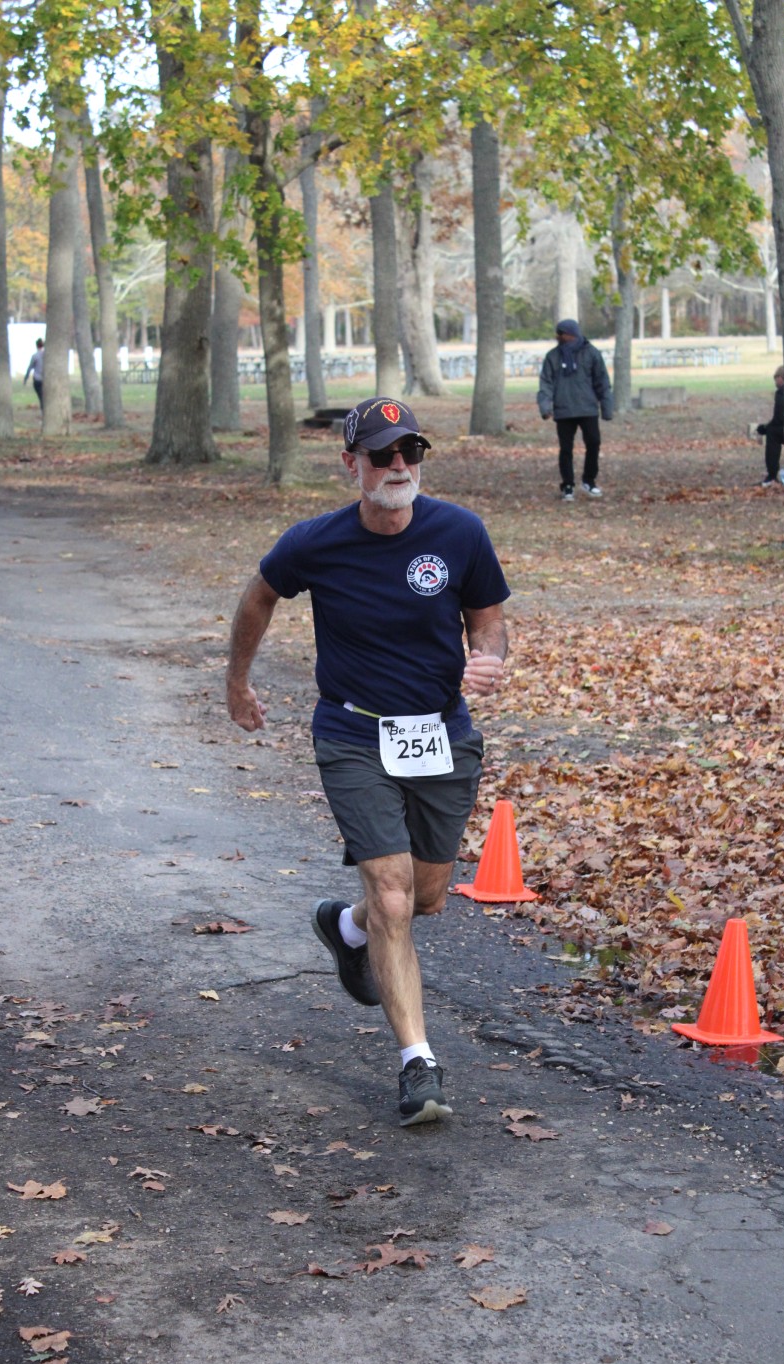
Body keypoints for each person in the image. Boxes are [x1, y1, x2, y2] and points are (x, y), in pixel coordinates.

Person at [226, 398, 510, 1127]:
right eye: (382, 455)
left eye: (410, 452)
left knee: (426, 897)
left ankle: (346, 929)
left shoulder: (460, 533)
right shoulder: (315, 542)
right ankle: (419, 1063)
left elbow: (488, 623)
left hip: (440, 733)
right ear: (350, 464)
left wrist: (488, 659)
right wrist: (237, 681)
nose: (398, 466)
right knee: (391, 896)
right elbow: (259, 597)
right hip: (354, 734)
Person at [537, 318, 613, 501]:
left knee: (593, 443)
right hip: (564, 410)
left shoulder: (591, 353)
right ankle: (568, 485)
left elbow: (602, 381)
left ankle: (589, 480)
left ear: (571, 334)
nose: (558, 337)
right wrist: (545, 407)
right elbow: (546, 383)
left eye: (561, 334)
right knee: (566, 449)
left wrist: (607, 408)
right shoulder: (553, 356)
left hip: (588, 408)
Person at [754, 365, 784, 485]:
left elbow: (779, 418)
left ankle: (772, 474)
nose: (775, 382)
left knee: (772, 434)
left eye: (776, 378)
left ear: (781, 377)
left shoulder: (782, 393)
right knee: (772, 430)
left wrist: (766, 428)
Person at [24, 338, 44, 408]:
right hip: (45, 379)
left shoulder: (35, 356)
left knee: (41, 398)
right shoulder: (47, 355)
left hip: (37, 379)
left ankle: (43, 410)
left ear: (36, 346)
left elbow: (30, 368)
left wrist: (26, 378)